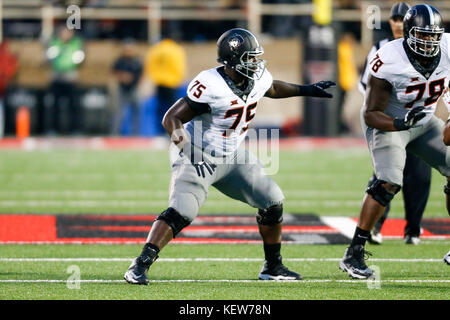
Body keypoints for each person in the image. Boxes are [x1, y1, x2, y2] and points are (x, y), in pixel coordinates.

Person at [124, 28, 335, 284]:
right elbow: (172, 118)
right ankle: (140, 264)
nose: (256, 63)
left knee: (272, 201)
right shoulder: (211, 85)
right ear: (233, 61)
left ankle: (273, 266)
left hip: (232, 156)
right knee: (182, 211)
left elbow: (273, 88)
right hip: (197, 153)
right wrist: (190, 151)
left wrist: (308, 90)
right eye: (250, 58)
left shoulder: (255, 79)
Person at [340, 4, 450, 279]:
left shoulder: (448, 47)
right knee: (388, 181)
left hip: (424, 121)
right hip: (390, 121)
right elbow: (371, 113)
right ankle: (354, 252)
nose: (428, 41)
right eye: (422, 35)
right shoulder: (388, 58)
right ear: (409, 34)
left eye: (433, 35)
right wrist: (400, 123)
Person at [359, 2, 432, 246]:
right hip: (390, 120)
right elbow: (368, 91)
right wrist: (392, 115)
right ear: (390, 22)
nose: (399, 24)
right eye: (395, 19)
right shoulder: (383, 51)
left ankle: (413, 228)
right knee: (388, 176)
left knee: (420, 175)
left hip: (421, 120)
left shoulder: (438, 48)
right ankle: (372, 229)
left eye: (403, 20)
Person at [45, 26, 84, 135]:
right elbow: (48, 58)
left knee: (74, 106)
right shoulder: (55, 43)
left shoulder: (76, 43)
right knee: (54, 106)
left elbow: (80, 59)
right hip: (57, 78)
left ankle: (76, 130)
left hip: (70, 79)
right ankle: (53, 129)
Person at [144, 38, 187, 135]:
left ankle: (160, 132)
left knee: (160, 109)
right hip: (171, 83)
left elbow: (150, 64)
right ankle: (172, 132)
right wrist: (179, 78)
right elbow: (178, 66)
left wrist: (154, 77)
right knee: (174, 111)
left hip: (159, 82)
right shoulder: (175, 49)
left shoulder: (156, 49)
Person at [111, 41, 143, 135]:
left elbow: (141, 75)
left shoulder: (137, 61)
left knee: (137, 111)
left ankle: (136, 134)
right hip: (122, 89)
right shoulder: (120, 61)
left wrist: (132, 79)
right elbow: (114, 72)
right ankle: (115, 133)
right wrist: (122, 77)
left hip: (134, 88)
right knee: (119, 112)